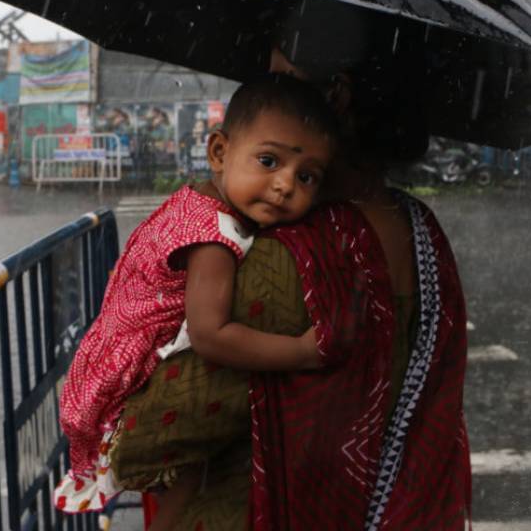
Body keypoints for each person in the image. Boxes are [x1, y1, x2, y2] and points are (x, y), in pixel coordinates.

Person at [104, 47, 471, 530]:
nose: (266, 83)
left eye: (281, 74)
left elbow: (150, 441)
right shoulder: (422, 230)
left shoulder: (297, 255)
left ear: (335, 96)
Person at [55, 74, 339, 516]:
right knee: (182, 484)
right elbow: (211, 335)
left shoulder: (200, 201)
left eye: (306, 176)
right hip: (131, 377)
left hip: (112, 354)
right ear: (219, 152)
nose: (285, 185)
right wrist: (301, 352)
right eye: (268, 161)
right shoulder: (214, 237)